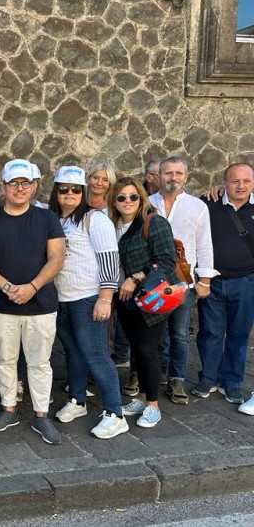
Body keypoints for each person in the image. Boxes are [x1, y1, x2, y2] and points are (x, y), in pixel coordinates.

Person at [0, 159, 65, 445]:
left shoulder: (47, 219)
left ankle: (41, 415)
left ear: (34, 186)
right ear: (3, 187)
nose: (20, 188)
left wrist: (32, 287)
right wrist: (7, 287)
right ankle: (8, 408)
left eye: (25, 182)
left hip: (41, 305)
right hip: (1, 305)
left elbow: (57, 258)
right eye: (13, 183)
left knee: (40, 363)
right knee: (5, 360)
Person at [47, 167, 128, 439]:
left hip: (88, 298)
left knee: (96, 354)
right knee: (73, 351)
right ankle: (77, 399)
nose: (69, 193)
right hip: (62, 299)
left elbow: (110, 260)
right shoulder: (54, 220)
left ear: (82, 192)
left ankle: (115, 413)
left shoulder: (95, 219)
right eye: (63, 188)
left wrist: (105, 298)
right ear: (56, 191)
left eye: (75, 189)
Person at [109, 177, 178, 429]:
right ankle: (142, 398)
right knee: (137, 349)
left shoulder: (154, 222)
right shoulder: (113, 224)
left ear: (141, 198)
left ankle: (153, 406)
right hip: (125, 300)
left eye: (133, 196)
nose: (127, 201)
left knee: (147, 350)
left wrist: (136, 277)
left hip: (150, 299)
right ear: (114, 201)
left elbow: (167, 261)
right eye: (121, 197)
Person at [149, 156, 217, 404]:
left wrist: (205, 280)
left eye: (178, 173)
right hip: (152, 282)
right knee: (153, 333)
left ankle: (176, 378)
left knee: (178, 333)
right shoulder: (146, 203)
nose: (173, 177)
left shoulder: (197, 207)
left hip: (182, 282)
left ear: (186, 177)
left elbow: (204, 244)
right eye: (168, 173)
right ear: (159, 176)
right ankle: (154, 375)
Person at [194, 163, 254, 409]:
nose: (241, 186)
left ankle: (231, 382)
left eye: (246, 181)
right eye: (235, 181)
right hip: (212, 282)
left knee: (239, 335)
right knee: (210, 332)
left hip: (246, 282)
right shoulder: (207, 204)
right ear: (224, 183)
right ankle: (208, 378)